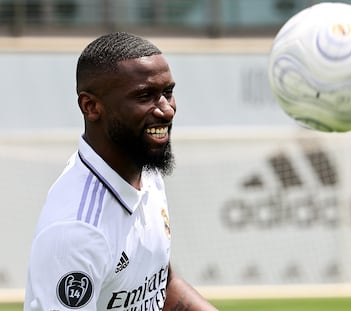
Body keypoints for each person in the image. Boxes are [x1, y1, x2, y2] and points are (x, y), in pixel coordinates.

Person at [24, 32, 218, 311]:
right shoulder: (76, 232)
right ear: (91, 106)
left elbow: (162, 282)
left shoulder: (147, 172)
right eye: (144, 96)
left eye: (168, 92)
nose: (166, 110)